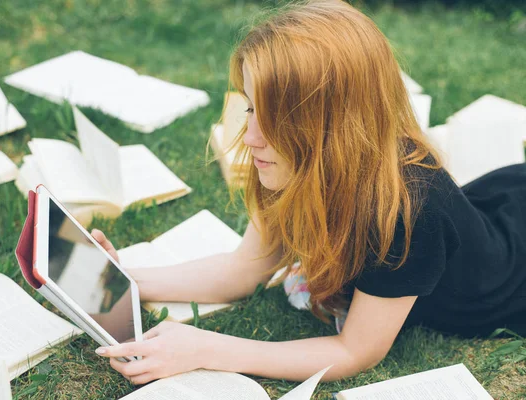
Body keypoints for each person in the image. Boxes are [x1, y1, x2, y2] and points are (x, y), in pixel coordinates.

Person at [91, 0, 526, 385]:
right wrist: (123, 278)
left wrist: (205, 348)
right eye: (250, 107)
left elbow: (354, 351)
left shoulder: (407, 209)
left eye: (274, 117)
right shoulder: (294, 166)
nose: (249, 136)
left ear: (331, 127)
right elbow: (243, 271)